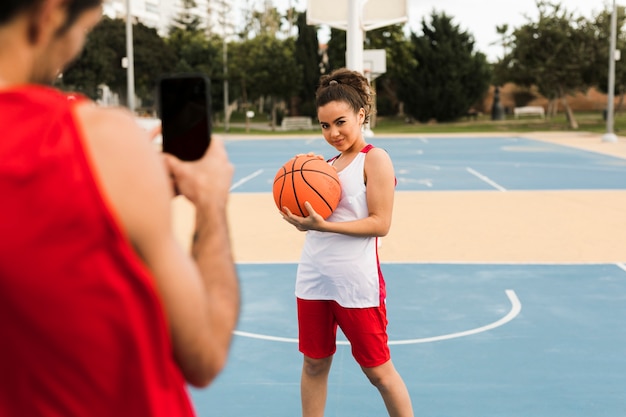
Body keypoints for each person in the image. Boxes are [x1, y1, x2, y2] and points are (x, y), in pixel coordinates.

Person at [0, 1, 239, 416]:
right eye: (84, 32)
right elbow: (205, 354)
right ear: (50, 14)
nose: (70, 53)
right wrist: (210, 202)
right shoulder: (97, 139)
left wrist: (108, 204)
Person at [281, 68, 414, 417]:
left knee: (378, 372)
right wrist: (305, 223)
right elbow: (319, 221)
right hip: (313, 279)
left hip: (356, 283)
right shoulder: (322, 167)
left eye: (340, 122)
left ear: (360, 114)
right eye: (325, 126)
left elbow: (380, 223)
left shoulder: (375, 158)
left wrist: (323, 227)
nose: (333, 133)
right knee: (313, 364)